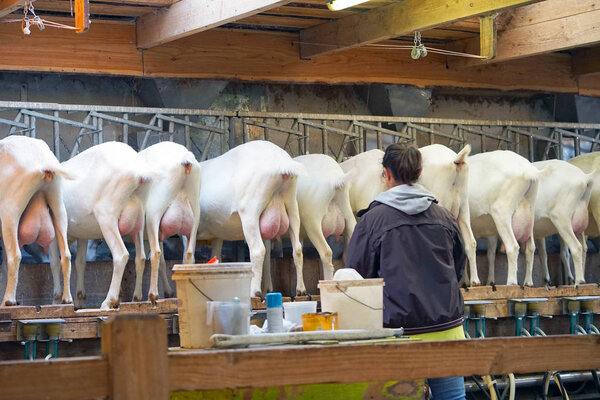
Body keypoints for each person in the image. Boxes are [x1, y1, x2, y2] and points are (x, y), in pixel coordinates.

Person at [345, 143, 467, 400]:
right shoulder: (444, 217)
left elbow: (356, 278)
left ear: (386, 174)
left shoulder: (372, 221)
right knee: (453, 397)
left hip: (399, 334)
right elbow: (458, 268)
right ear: (420, 173)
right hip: (447, 329)